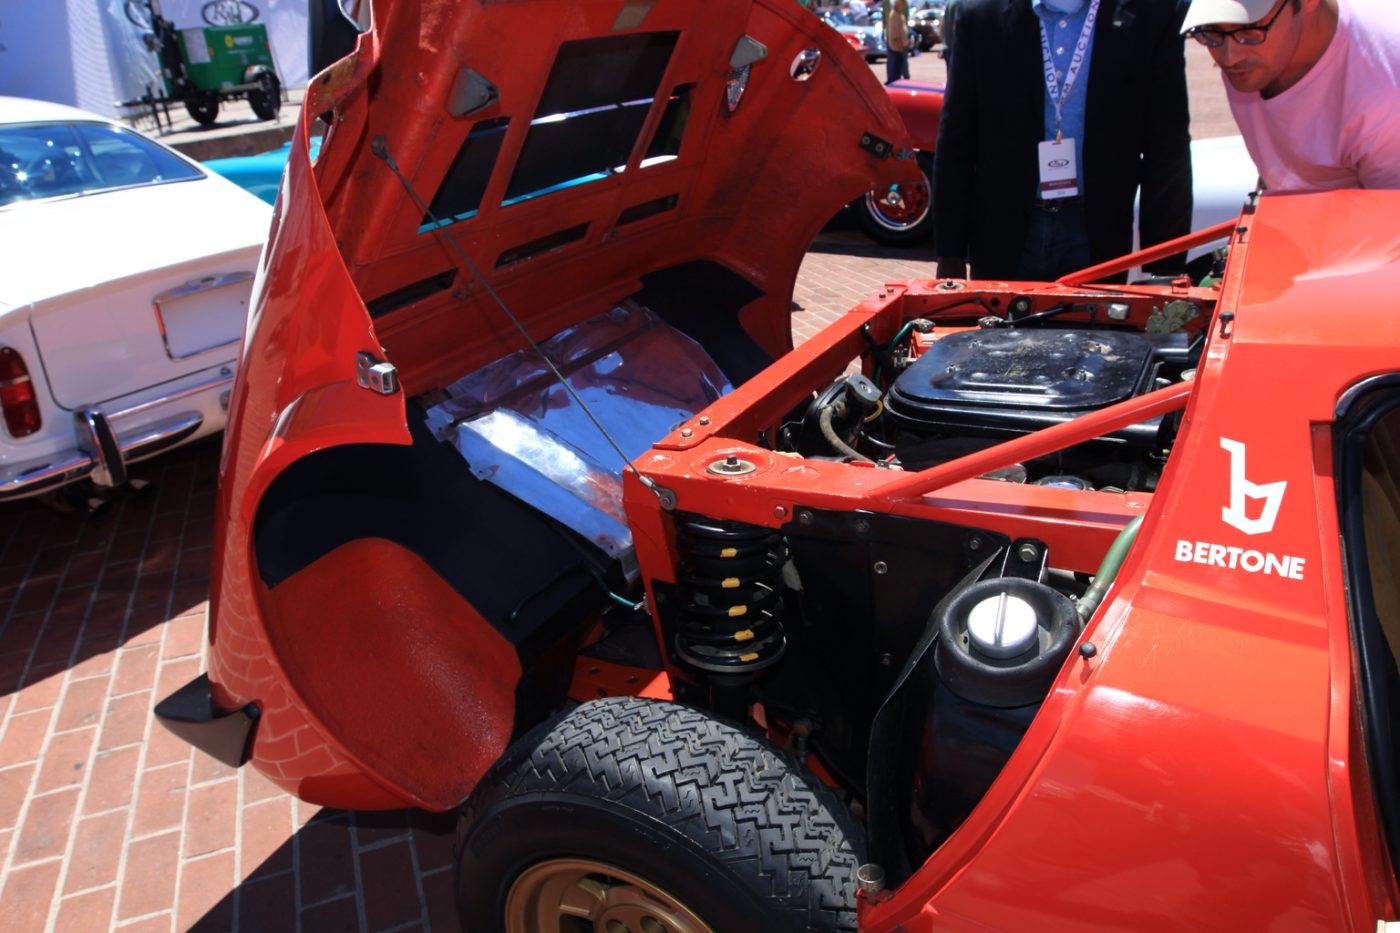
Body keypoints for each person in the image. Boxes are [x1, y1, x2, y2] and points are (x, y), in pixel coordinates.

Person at [933, 0, 1192, 281]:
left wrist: (1164, 264)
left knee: (1096, 326)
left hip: (1097, 234)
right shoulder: (980, 13)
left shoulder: (1152, 14)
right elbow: (956, 138)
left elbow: (1168, 142)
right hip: (1004, 232)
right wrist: (950, 252)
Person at [1182, 0, 1400, 193]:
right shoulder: (1251, 49)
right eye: (1211, 28)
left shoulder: (1385, 92)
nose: (1229, 58)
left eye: (1250, 27)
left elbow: (1389, 229)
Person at [886, 0, 913, 83]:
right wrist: (900, 42)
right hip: (896, 46)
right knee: (894, 68)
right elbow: (894, 32)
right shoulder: (894, 15)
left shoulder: (900, 14)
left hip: (900, 46)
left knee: (899, 66)